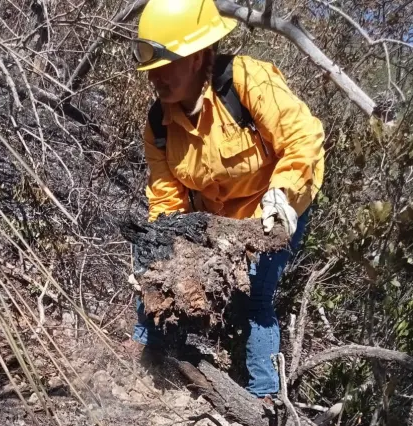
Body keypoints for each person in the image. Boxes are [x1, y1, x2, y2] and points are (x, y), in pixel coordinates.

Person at [128, 0, 325, 399]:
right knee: (155, 267)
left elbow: (302, 137)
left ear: (201, 55)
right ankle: (142, 359)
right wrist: (166, 256)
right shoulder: (159, 125)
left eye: (169, 64)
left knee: (255, 296)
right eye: (153, 69)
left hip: (276, 207)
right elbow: (167, 199)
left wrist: (283, 196)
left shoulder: (248, 81)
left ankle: (265, 399)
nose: (158, 78)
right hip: (215, 219)